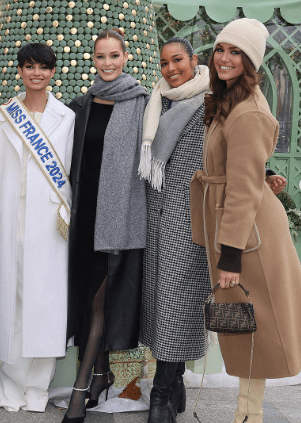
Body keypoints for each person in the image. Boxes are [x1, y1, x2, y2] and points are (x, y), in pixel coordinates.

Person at [191, 18, 301, 423]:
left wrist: (231, 256)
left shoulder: (248, 109)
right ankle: (246, 413)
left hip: (248, 234)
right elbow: (245, 164)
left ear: (251, 61)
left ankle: (248, 415)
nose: (224, 58)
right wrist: (263, 172)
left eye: (236, 52)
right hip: (240, 224)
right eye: (221, 49)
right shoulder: (231, 100)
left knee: (253, 325)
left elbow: (240, 189)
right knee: (244, 324)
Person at [64, 28, 148, 423]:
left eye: (115, 55)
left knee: (100, 300)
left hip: (119, 220)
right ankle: (100, 375)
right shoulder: (81, 105)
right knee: (87, 297)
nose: (108, 63)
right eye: (101, 57)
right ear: (93, 60)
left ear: (126, 57)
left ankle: (81, 390)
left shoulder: (143, 102)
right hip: (84, 217)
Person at [0, 43, 75, 412]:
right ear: (19, 71)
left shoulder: (66, 117)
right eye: (29, 66)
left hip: (51, 225)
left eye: (43, 67)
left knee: (45, 303)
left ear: (53, 72)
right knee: (13, 299)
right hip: (12, 221)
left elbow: (71, 170)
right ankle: (10, 380)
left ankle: (38, 386)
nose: (36, 73)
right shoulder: (4, 114)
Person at [137, 37, 211, 423]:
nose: (171, 69)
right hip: (155, 217)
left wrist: (263, 173)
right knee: (159, 304)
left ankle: (160, 395)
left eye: (178, 60)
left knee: (175, 305)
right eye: (164, 62)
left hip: (190, 220)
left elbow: (230, 149)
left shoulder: (211, 100)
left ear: (193, 61)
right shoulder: (158, 100)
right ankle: (175, 378)